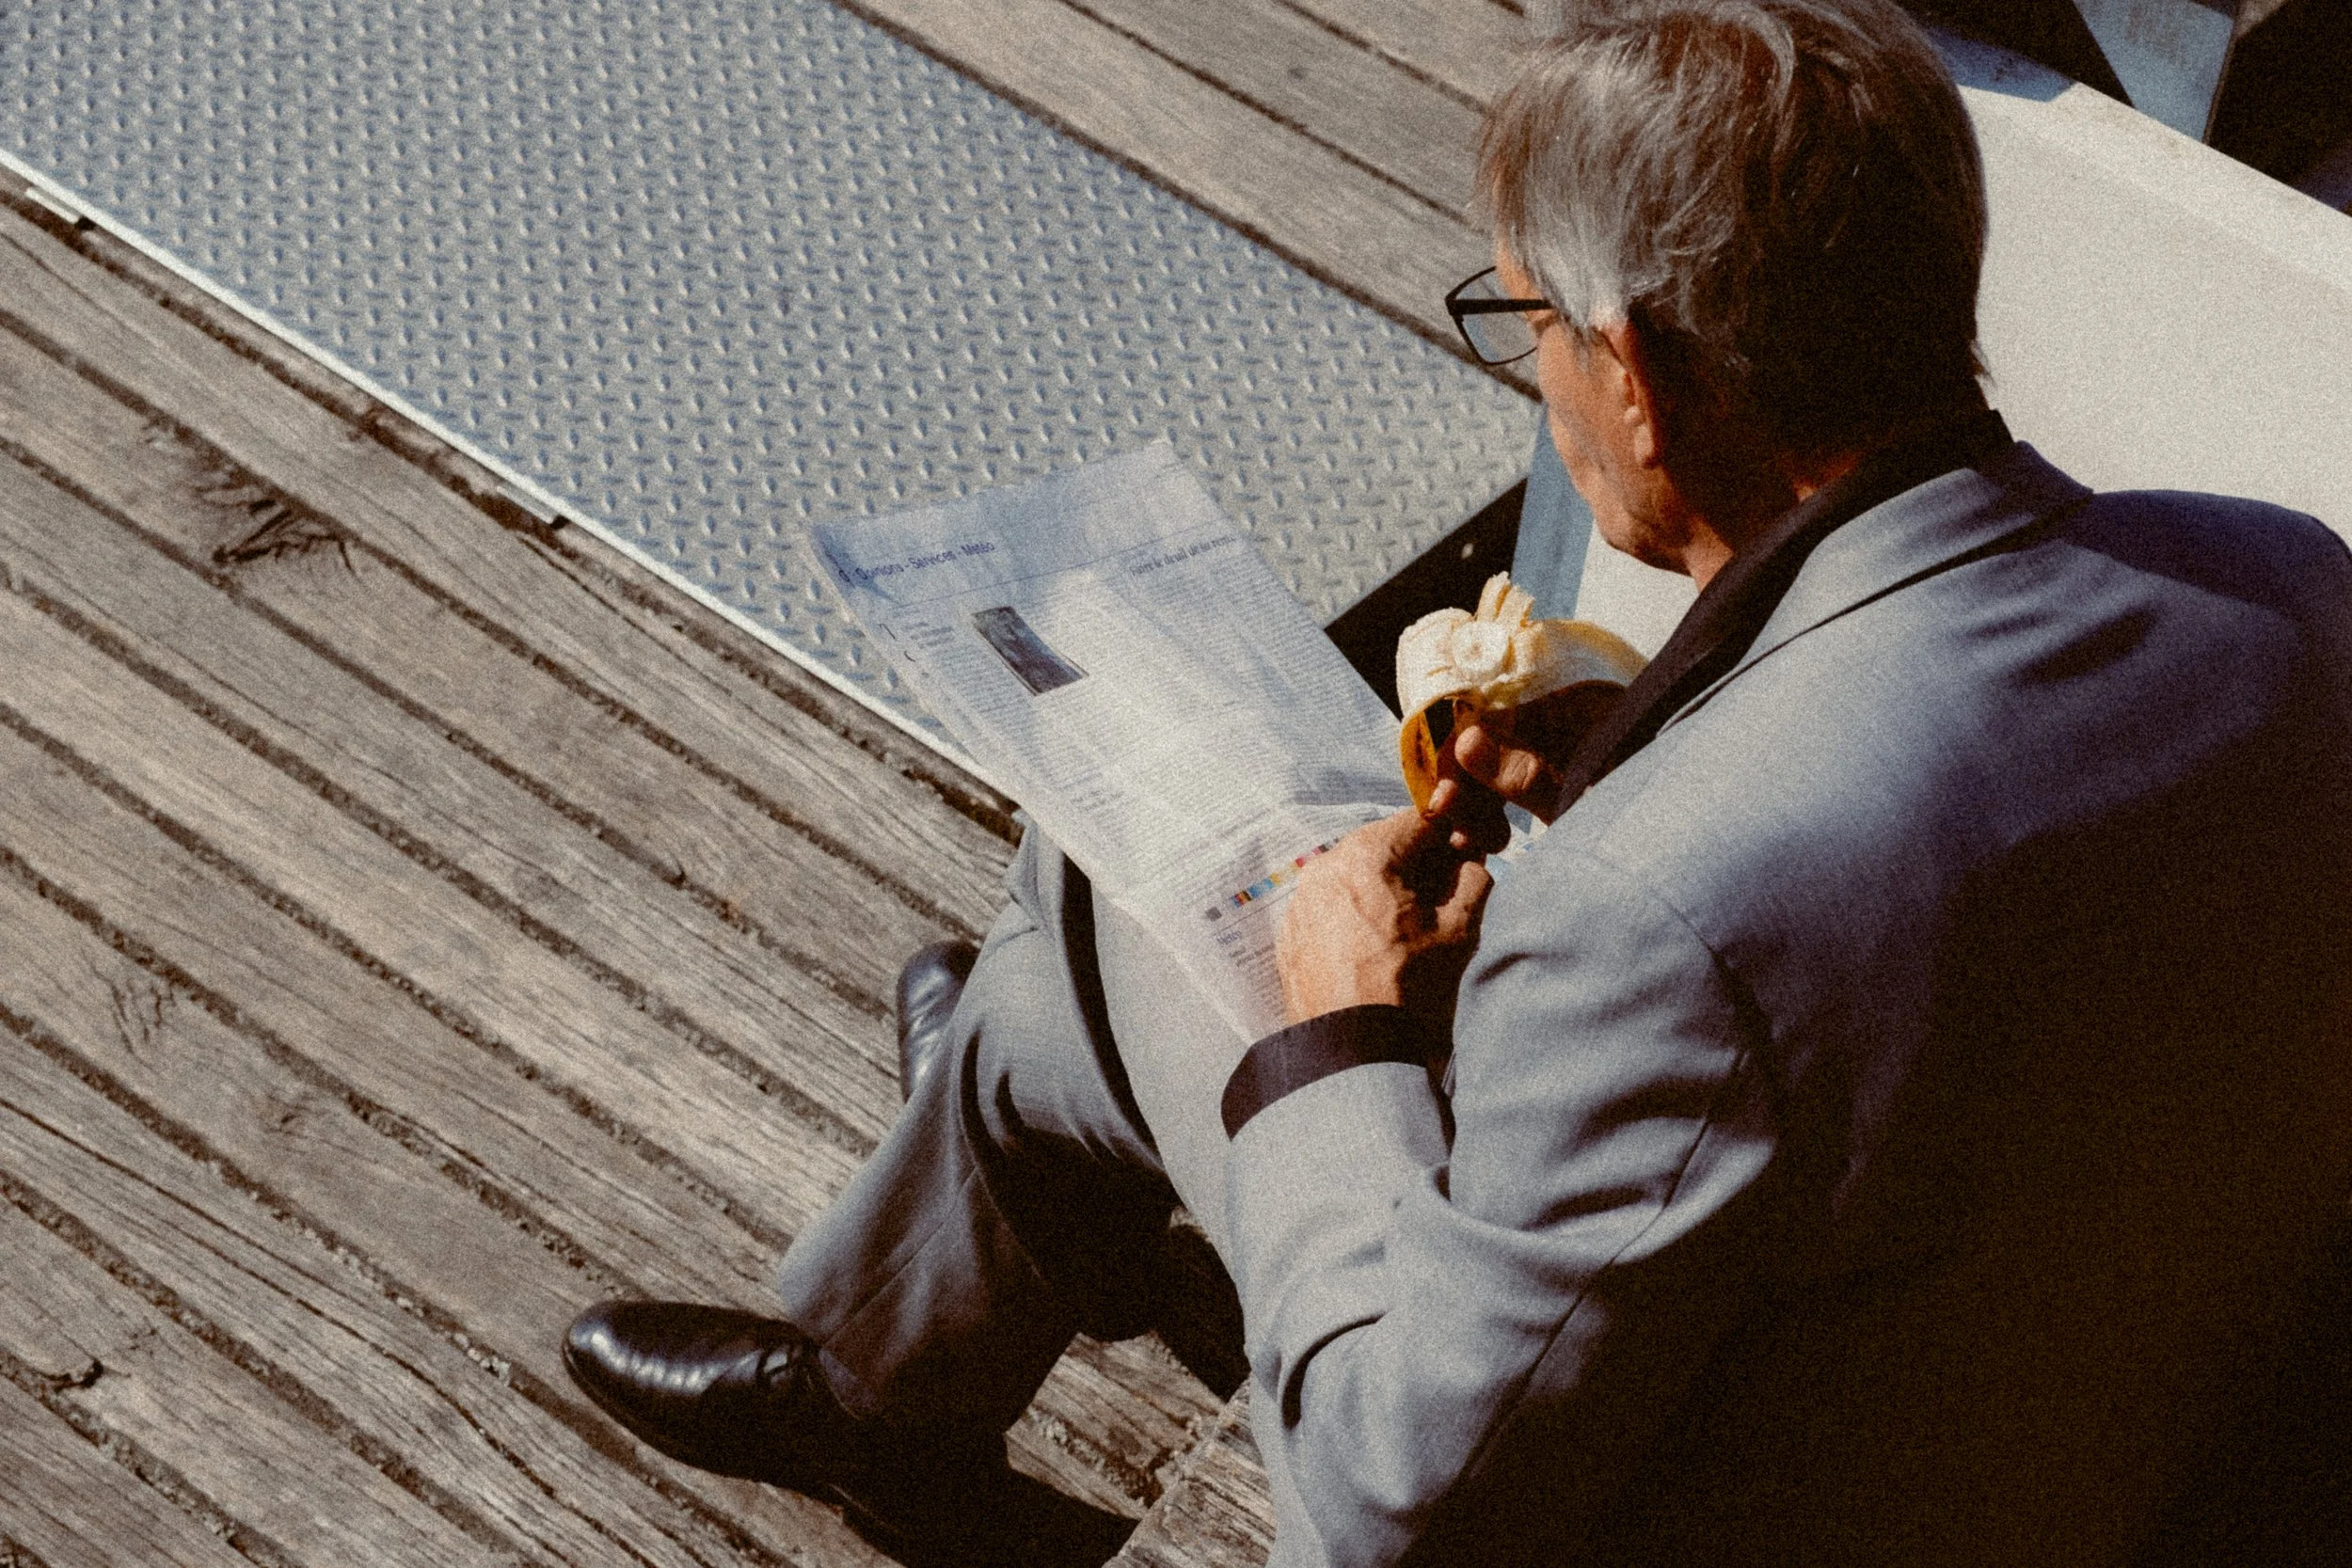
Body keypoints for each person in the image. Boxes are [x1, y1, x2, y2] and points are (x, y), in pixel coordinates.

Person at [561, 3, 2352, 1564]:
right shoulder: (2287, 588)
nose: (1537, 373)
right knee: (1084, 957)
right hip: (2060, 1409)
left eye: (1531, 321)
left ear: (1637, 376)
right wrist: (1650, 743)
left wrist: (1338, 1039)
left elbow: (1395, 1517)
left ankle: (935, 1285)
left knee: (1107, 886)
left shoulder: (1666, 918)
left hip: (1705, 1491)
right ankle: (1009, 1141)